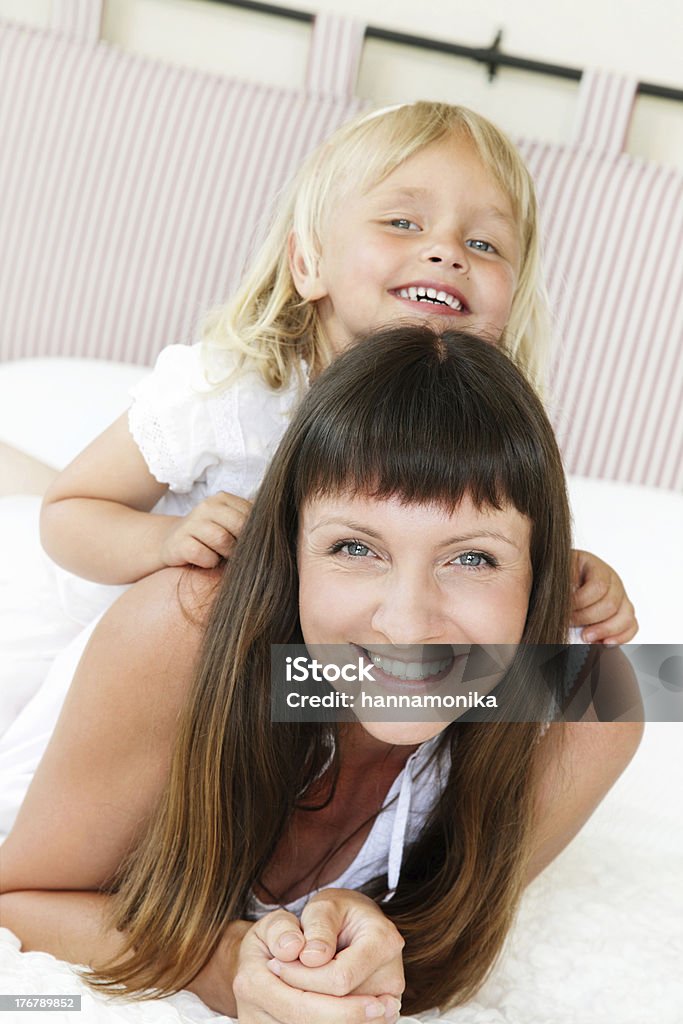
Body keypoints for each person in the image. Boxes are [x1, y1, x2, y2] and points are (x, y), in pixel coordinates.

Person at [0, 327, 643, 1021]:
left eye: (472, 559)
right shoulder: (181, 628)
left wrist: (360, 924)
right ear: (290, 552)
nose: (406, 623)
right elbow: (18, 902)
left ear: (541, 571)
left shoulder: (596, 703)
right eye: (354, 546)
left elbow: (439, 944)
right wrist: (219, 962)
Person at [38, 101, 635, 644]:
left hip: (329, 685)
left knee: (626, 688)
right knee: (201, 598)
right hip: (178, 656)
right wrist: (164, 542)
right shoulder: (228, 392)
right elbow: (69, 511)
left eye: (484, 244)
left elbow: (472, 554)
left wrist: (564, 580)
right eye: (403, 223)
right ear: (309, 261)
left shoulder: (489, 436)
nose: (449, 251)